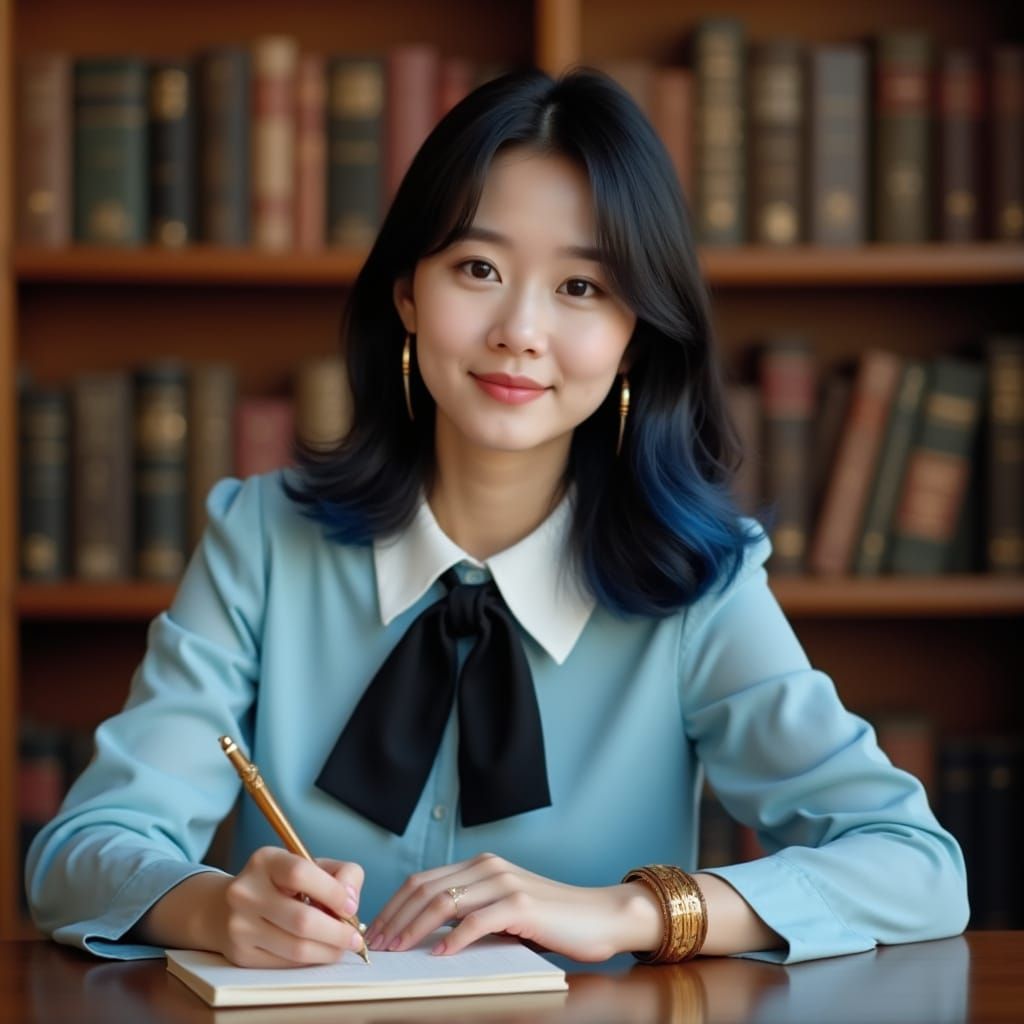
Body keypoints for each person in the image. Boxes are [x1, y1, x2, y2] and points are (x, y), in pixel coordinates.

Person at [26, 68, 968, 968]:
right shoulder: (262, 540)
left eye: (581, 287)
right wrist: (215, 908)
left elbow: (918, 869)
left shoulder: (697, 584)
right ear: (407, 292)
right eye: (478, 266)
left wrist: (630, 910)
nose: (520, 329)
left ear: (634, 334)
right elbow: (80, 854)